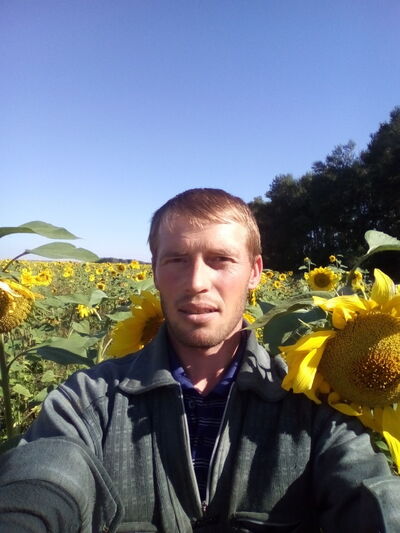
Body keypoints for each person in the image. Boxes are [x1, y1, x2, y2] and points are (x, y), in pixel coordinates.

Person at [0, 188, 399, 532]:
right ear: (155, 272)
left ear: (255, 272)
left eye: (220, 259)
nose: (195, 283)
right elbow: (44, 480)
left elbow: (373, 495)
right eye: (176, 260)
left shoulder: (311, 403)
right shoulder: (88, 403)